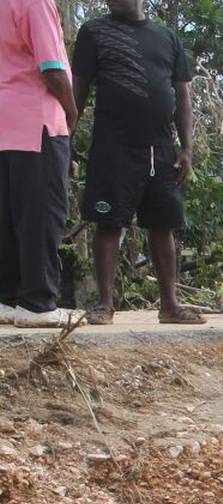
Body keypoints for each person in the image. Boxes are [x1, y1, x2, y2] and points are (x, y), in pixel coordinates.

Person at [72, 0, 204, 325]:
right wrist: (66, 138)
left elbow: (183, 96)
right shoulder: (94, 32)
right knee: (108, 223)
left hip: (159, 148)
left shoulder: (167, 37)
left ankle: (170, 306)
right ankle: (104, 305)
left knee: (162, 224)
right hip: (112, 146)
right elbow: (78, 89)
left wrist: (186, 148)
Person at [0, 0, 79, 328]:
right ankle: (37, 302)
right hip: (37, 121)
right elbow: (51, 68)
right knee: (42, 211)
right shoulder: (35, 2)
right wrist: (72, 111)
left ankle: (6, 298)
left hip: (4, 120)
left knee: (8, 213)